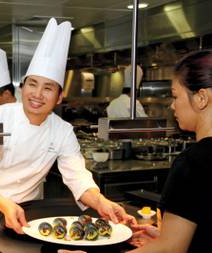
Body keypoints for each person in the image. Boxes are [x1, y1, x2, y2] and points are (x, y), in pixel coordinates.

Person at [0, 18, 135, 234]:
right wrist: (3, 203)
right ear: (22, 87)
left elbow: (77, 176)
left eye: (48, 88)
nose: (37, 94)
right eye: (32, 84)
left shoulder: (62, 131)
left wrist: (101, 202)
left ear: (59, 97)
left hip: (27, 217)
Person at [60, 50, 212, 253]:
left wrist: (166, 242)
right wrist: (164, 237)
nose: (172, 105)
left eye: (175, 96)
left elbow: (171, 250)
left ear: (201, 98)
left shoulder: (194, 162)